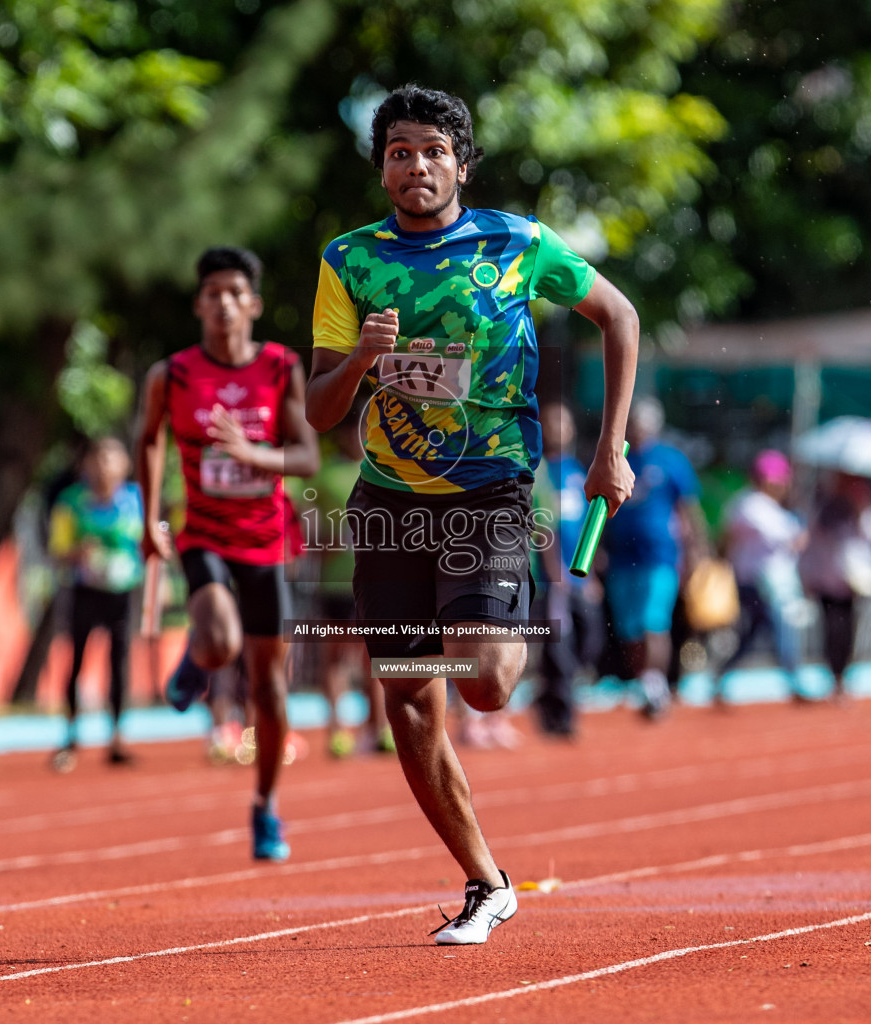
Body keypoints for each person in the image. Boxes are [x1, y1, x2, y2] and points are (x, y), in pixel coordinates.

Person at [305, 85, 636, 944]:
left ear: (462, 163)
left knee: (484, 683)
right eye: (399, 152)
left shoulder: (518, 245)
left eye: (432, 151)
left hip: (490, 492)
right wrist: (362, 361)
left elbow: (619, 316)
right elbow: (316, 409)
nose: (416, 166)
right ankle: (486, 882)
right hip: (390, 500)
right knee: (408, 699)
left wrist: (610, 449)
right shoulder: (349, 259)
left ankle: (492, 645)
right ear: (382, 168)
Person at [136, 247, 319, 861]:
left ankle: (266, 807)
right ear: (198, 304)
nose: (222, 303)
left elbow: (306, 458)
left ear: (254, 304)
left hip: (267, 540)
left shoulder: (280, 367)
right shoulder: (174, 374)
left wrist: (251, 454)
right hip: (205, 533)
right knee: (220, 643)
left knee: (269, 690)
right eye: (211, 292)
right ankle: (201, 654)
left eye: (234, 292)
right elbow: (148, 439)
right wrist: (150, 520)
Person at [601, 397, 703, 719]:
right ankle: (644, 685)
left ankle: (656, 684)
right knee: (630, 628)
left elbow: (688, 511)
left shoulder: (671, 460)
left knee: (652, 622)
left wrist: (695, 552)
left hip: (659, 557)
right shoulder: (617, 458)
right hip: (621, 559)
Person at [296, 415, 391, 758]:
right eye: (352, 431)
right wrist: (320, 543)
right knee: (335, 657)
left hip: (378, 583)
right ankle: (337, 731)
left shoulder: (385, 472)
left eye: (363, 431)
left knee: (376, 658)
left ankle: (378, 729)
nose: (358, 437)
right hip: (336, 582)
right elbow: (304, 521)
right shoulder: (324, 476)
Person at [48, 436, 145, 771]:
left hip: (122, 592)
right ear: (85, 465)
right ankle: (71, 734)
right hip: (84, 590)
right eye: (97, 458)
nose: (104, 465)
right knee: (76, 660)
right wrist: (78, 552)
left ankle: (117, 735)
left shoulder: (136, 500)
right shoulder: (71, 502)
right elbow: (57, 549)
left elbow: (156, 535)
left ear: (125, 465)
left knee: (119, 662)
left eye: (111, 458)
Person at [530, 401, 603, 738]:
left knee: (591, 639)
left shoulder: (578, 470)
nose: (559, 429)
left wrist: (591, 570)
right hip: (552, 578)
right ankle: (560, 713)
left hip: (579, 576)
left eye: (564, 423)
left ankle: (550, 698)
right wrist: (556, 571)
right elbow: (544, 528)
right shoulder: (538, 471)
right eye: (552, 423)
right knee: (560, 643)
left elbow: (587, 523)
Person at [714, 451, 805, 702]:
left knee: (758, 632)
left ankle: (723, 676)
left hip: (771, 583)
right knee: (774, 629)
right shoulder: (750, 505)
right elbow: (790, 541)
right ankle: (793, 679)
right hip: (756, 583)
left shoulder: (768, 507)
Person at [799, 473, 871, 701]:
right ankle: (834, 677)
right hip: (826, 579)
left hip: (852, 582)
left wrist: (861, 513)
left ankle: (842, 677)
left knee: (848, 630)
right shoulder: (823, 508)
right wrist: (807, 574)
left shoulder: (867, 510)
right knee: (831, 630)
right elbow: (812, 541)